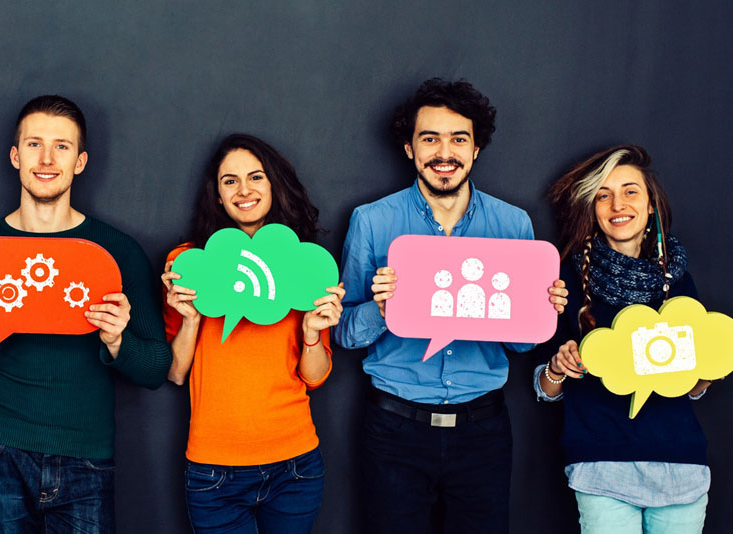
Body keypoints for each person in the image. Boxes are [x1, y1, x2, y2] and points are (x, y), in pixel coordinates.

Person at [333, 78, 568, 533]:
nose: (445, 152)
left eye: (459, 138)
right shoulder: (372, 221)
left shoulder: (512, 223)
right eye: (430, 138)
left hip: (483, 429)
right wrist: (381, 310)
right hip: (394, 428)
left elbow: (521, 348)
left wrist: (541, 313)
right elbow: (342, 331)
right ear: (409, 149)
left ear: (476, 148)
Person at [0, 95, 172, 533]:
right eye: (34, 144)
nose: (46, 159)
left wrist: (118, 340)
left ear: (80, 161)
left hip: (88, 456)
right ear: (14, 155)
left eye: (61, 146)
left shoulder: (117, 251)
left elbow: (157, 369)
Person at [161, 133, 344, 533]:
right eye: (230, 181)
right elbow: (175, 373)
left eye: (256, 177)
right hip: (214, 472)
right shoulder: (189, 264)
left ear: (273, 185)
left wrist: (313, 332)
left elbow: (314, 377)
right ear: (218, 195)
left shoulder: (305, 266)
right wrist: (190, 319)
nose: (244, 190)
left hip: (295, 466)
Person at [536, 145, 715, 533]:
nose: (618, 203)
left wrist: (707, 368)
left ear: (651, 205)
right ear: (592, 207)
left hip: (679, 463)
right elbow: (545, 389)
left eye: (631, 190)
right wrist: (557, 367)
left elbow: (696, 387)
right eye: (603, 193)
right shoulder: (564, 280)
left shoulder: (679, 281)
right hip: (600, 462)